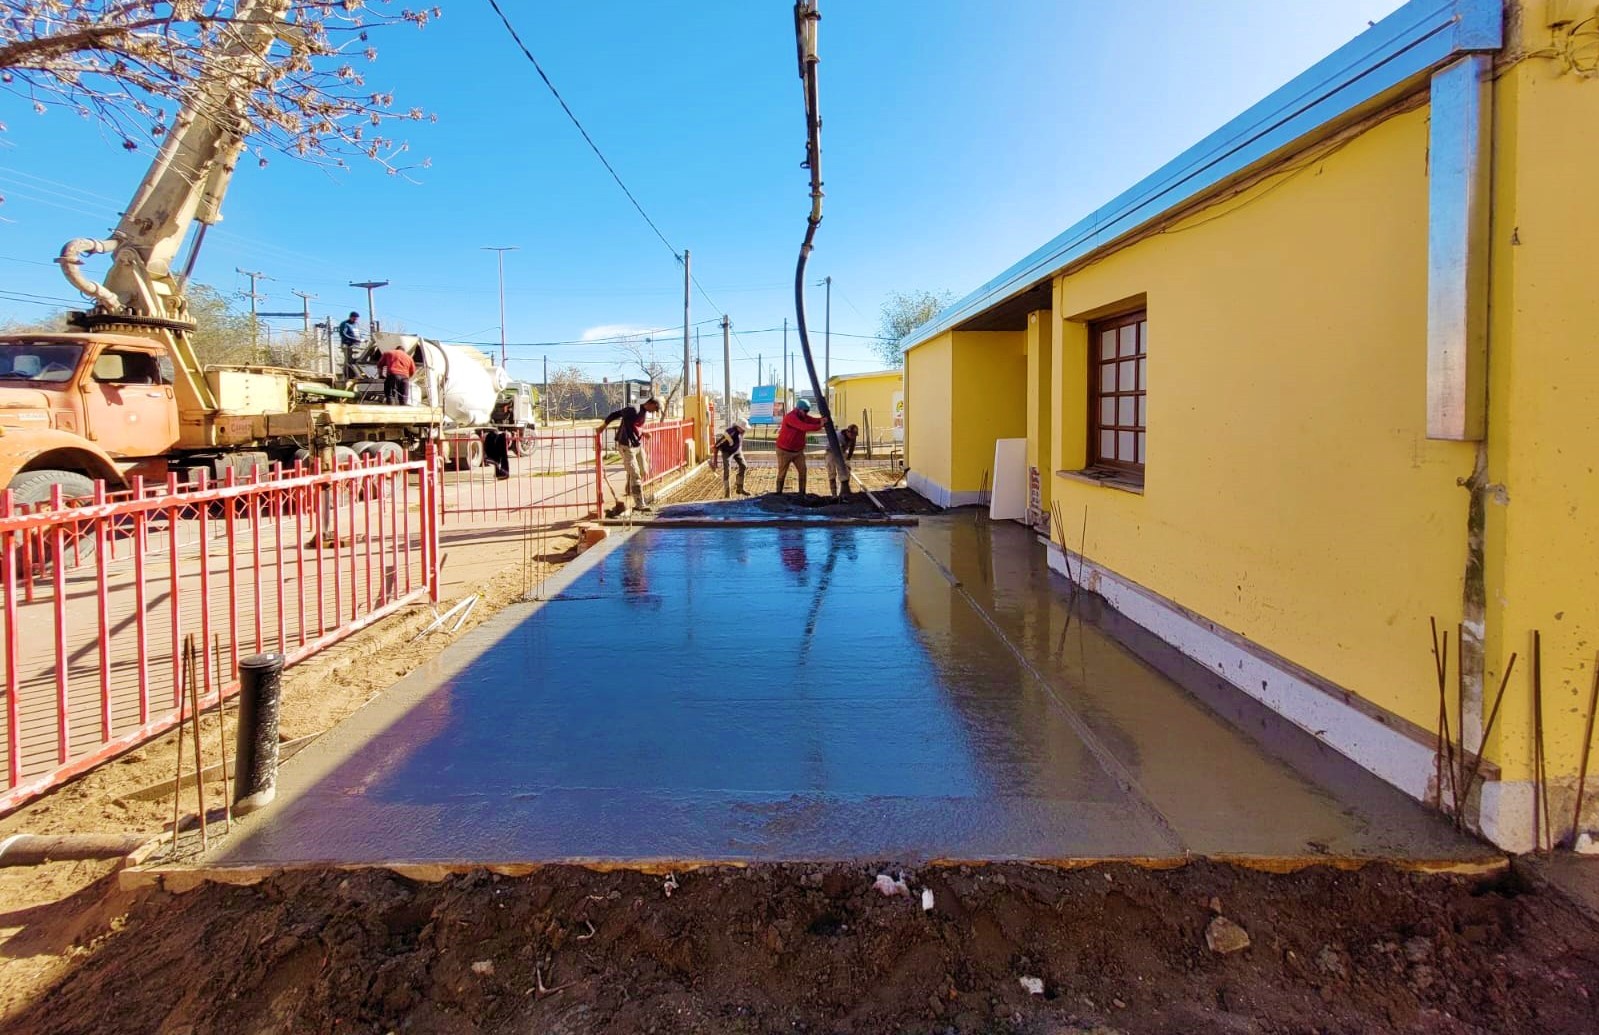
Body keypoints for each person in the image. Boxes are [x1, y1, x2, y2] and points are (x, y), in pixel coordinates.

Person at [599, 396, 661, 515]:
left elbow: (635, 426)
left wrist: (643, 432)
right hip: (626, 445)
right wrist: (603, 427)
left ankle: (630, 482)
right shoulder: (633, 409)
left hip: (637, 445)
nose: (655, 411)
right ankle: (639, 505)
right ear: (651, 403)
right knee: (636, 474)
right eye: (655, 408)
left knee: (643, 471)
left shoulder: (643, 411)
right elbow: (614, 415)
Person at [774, 398, 823, 496]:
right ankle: (778, 493)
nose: (806, 413)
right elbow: (803, 426)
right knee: (782, 472)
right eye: (805, 411)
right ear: (799, 409)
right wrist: (820, 426)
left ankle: (802, 493)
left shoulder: (803, 416)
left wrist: (822, 420)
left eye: (807, 411)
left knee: (803, 471)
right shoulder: (790, 417)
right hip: (784, 450)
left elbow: (812, 420)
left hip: (798, 451)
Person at [710, 421, 749, 498]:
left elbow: (738, 441)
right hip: (727, 452)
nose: (745, 430)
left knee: (743, 465)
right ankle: (727, 494)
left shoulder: (741, 433)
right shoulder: (729, 434)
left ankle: (740, 488)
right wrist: (715, 462)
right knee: (727, 471)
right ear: (739, 427)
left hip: (737, 450)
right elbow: (716, 446)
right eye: (744, 429)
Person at [827, 423, 859, 498]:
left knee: (846, 471)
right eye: (852, 435)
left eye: (854, 435)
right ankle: (834, 494)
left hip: (842, 452)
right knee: (832, 472)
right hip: (831, 451)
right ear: (848, 432)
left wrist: (848, 459)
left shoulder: (853, 437)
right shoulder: (839, 437)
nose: (853, 437)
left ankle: (843, 492)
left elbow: (852, 448)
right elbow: (838, 453)